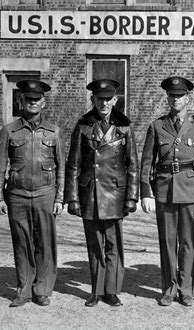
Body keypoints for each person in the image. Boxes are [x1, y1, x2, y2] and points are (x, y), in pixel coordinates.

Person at [64, 79, 139, 307]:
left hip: (115, 193)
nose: (104, 103)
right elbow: (73, 164)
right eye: (100, 99)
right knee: (95, 244)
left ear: (115, 100)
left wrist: (131, 196)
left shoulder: (124, 126)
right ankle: (96, 290)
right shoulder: (83, 126)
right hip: (91, 193)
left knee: (113, 244)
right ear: (93, 100)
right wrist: (72, 198)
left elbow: (132, 164)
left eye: (109, 99)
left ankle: (112, 290)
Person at [0, 80, 65, 307]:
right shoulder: (9, 130)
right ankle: (23, 290)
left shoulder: (54, 131)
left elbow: (62, 165)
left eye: (37, 99)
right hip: (17, 195)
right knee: (21, 243)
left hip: (45, 193)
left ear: (44, 102)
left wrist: (60, 196)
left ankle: (42, 289)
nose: (32, 103)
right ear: (22, 100)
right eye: (28, 99)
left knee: (45, 242)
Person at [140, 76, 194, 307]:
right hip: (165, 191)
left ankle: (187, 289)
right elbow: (146, 161)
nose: (175, 99)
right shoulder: (157, 126)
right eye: (172, 95)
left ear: (187, 98)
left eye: (180, 96)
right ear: (167, 98)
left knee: (189, 242)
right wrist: (145, 192)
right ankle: (169, 288)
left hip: (191, 190)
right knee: (167, 242)